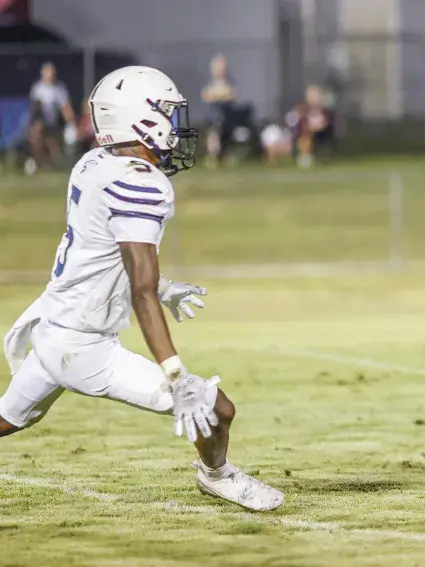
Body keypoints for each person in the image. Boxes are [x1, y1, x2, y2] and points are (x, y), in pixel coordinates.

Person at [0, 66, 284, 512]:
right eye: (167, 113)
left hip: (52, 324)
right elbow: (141, 291)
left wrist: (163, 285)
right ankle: (217, 476)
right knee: (217, 409)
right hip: (84, 349)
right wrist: (176, 374)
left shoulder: (92, 162)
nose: (174, 124)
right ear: (141, 117)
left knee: (8, 418)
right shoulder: (140, 183)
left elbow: (101, 251)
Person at [28, 61, 76, 171]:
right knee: (35, 135)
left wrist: (71, 124)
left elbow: (65, 108)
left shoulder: (60, 89)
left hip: (55, 122)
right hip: (40, 120)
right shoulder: (37, 88)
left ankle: (52, 164)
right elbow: (35, 108)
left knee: (53, 147)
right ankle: (37, 161)